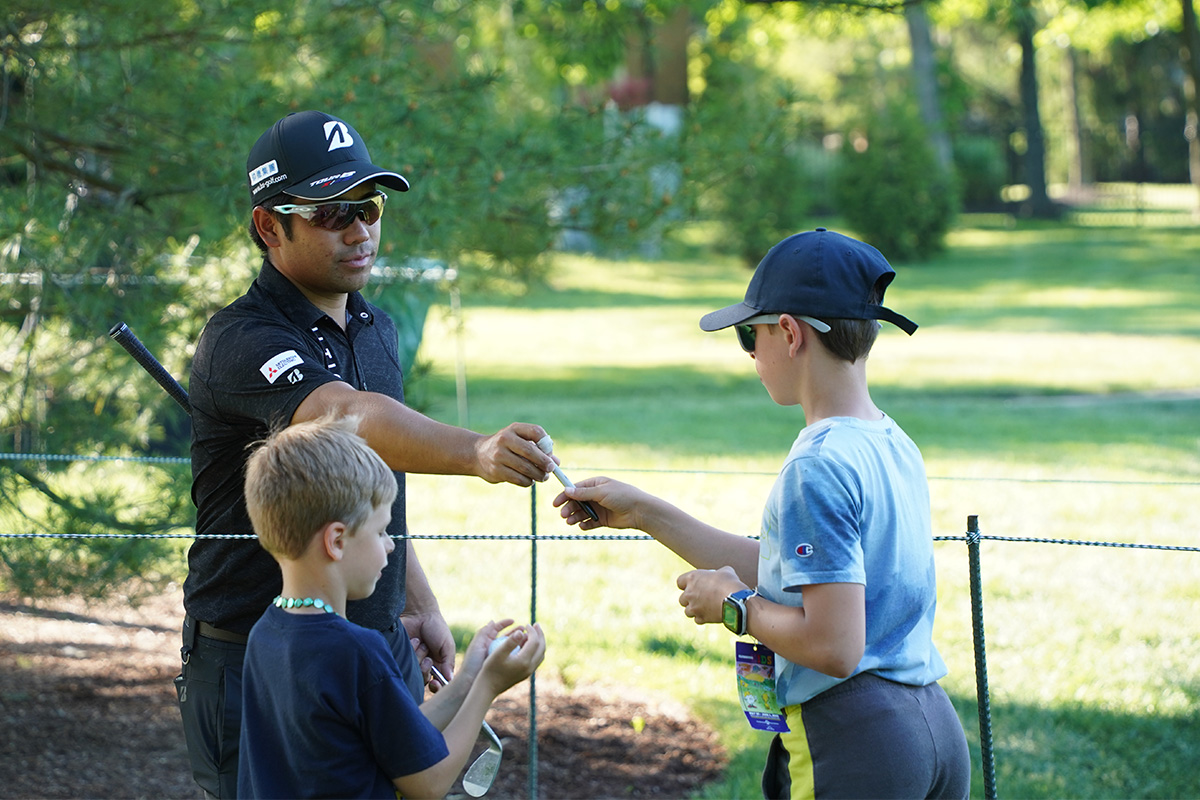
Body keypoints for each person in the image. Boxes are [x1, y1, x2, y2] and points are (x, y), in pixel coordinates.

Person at [179, 109, 565, 799]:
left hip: (372, 638)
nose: (360, 230)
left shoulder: (375, 329)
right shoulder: (242, 340)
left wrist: (414, 605)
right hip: (257, 650)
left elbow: (366, 487)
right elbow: (350, 418)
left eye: (369, 206)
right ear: (271, 226)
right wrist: (477, 451)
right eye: (331, 213)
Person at [554, 229, 971, 799]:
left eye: (751, 334)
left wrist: (733, 607)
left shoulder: (817, 467)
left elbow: (834, 646)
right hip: (933, 730)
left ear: (791, 333)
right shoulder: (890, 442)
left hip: (855, 740)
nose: (751, 353)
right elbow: (809, 581)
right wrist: (647, 512)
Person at [238, 414, 545, 799]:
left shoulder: (265, 634)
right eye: (381, 530)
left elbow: (395, 738)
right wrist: (488, 687)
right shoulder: (356, 652)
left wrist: (467, 679)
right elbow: (428, 781)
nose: (391, 545)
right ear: (336, 541)